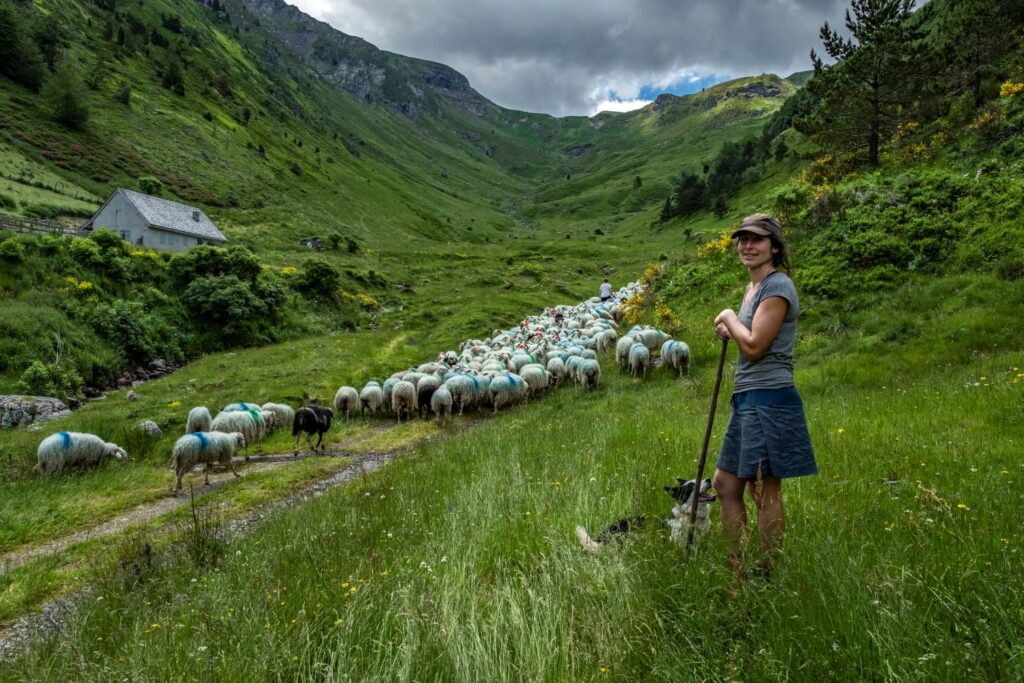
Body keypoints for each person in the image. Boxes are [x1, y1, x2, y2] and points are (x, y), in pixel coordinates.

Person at [712, 212, 816, 581]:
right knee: (725, 484)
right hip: (748, 397)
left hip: (770, 397)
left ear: (774, 246)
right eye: (742, 239)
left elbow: (755, 346)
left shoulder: (778, 286)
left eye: (756, 239)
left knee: (764, 489)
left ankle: (768, 571)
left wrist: (728, 316)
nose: (747, 245)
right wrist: (732, 329)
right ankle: (737, 567)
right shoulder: (753, 288)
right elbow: (747, 334)